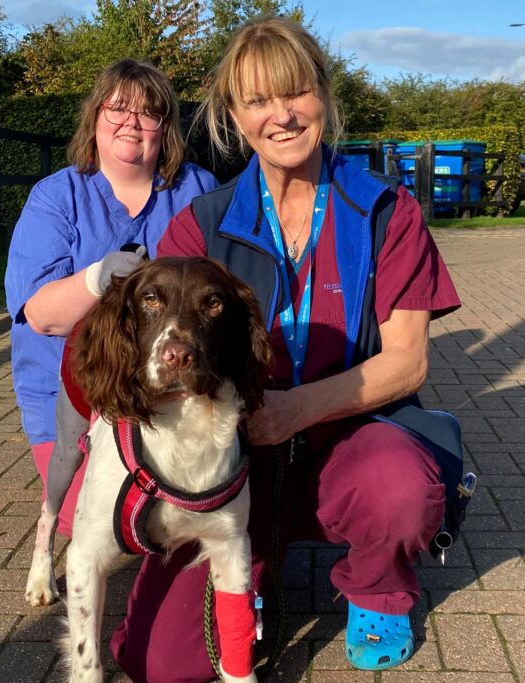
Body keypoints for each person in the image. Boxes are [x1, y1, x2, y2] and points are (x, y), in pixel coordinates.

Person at [106, 17, 462, 680]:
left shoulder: (388, 211)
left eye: (295, 91)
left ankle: (377, 586)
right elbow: (156, 358)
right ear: (234, 116)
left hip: (349, 438)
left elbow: (408, 360)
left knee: (403, 486)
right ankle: (249, 575)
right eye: (258, 101)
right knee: (156, 662)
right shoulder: (200, 225)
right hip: (228, 459)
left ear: (324, 94)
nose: (282, 115)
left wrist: (296, 409)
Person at [4, 59, 218, 534]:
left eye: (148, 114)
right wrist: (97, 278)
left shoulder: (198, 190)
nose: (131, 124)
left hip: (171, 384)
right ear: (94, 117)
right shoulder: (55, 197)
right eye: (117, 109)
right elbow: (41, 316)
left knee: (181, 507)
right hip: (74, 392)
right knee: (98, 518)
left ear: (165, 128)